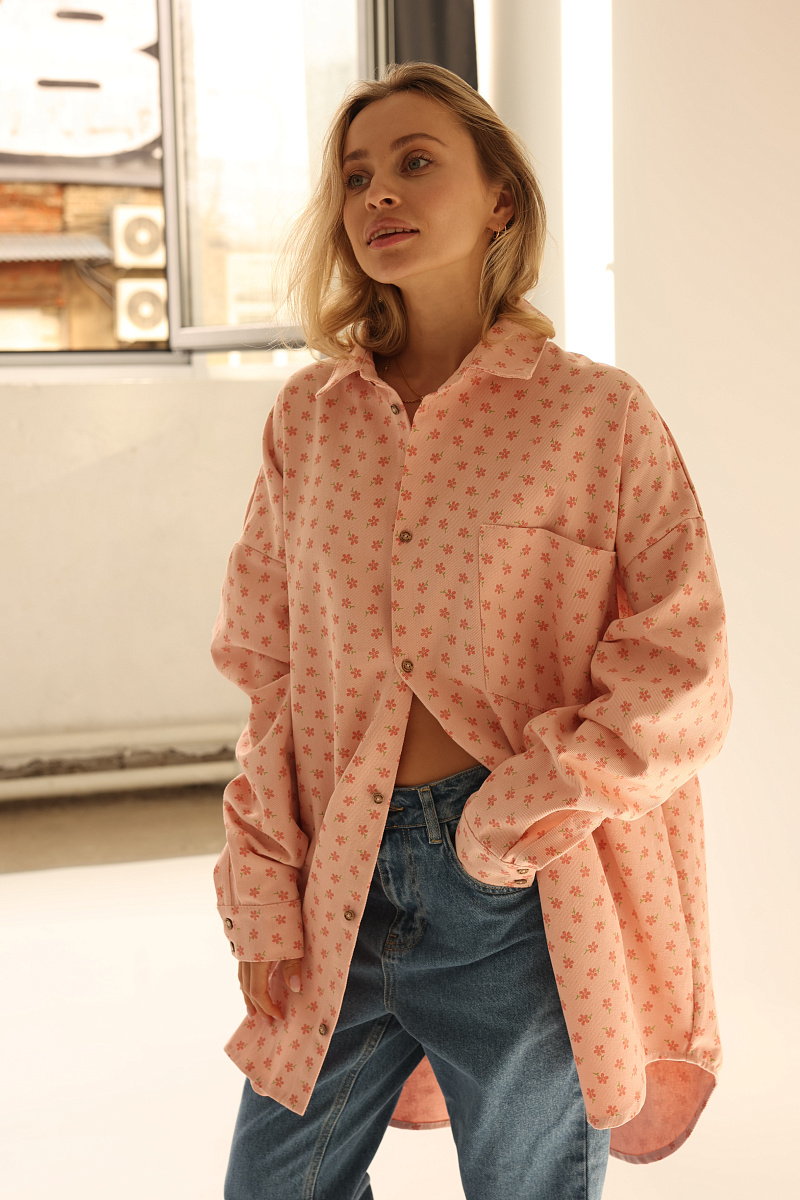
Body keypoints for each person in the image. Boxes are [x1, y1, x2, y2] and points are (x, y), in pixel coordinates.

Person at [210, 61, 732, 1200]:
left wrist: (513, 821)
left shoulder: (593, 413)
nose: (378, 195)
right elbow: (269, 666)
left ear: (500, 198)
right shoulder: (308, 419)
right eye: (356, 177)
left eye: (415, 162)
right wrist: (261, 885)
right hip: (337, 881)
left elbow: (682, 665)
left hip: (520, 902)